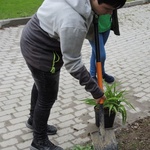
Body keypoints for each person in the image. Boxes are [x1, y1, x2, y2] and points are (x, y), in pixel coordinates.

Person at [20, 0, 126, 150]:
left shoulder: (84, 4)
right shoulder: (73, 21)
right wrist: (95, 90)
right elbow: (73, 64)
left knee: (41, 86)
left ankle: (33, 121)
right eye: (108, 9)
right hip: (41, 50)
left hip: (33, 35)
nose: (110, 13)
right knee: (47, 96)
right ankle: (39, 141)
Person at [89, 10, 120, 83]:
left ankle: (94, 75)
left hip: (106, 26)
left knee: (96, 52)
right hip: (94, 29)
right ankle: (98, 74)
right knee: (101, 55)